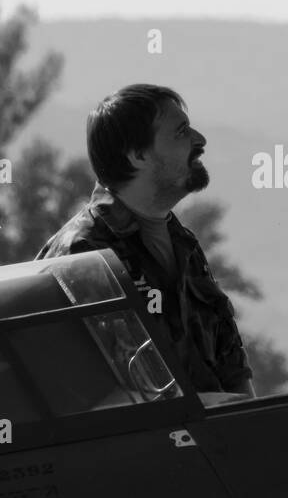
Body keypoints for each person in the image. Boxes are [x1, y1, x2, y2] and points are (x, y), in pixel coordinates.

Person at [38, 84, 255, 399]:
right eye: (181, 133)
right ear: (137, 155)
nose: (200, 140)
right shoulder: (82, 254)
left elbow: (232, 368)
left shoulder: (184, 244)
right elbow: (104, 399)